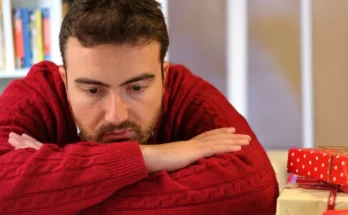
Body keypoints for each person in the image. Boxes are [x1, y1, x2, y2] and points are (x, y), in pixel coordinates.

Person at [0, 0, 279, 214]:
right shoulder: (36, 94)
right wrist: (150, 156)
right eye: (93, 90)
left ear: (164, 76)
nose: (116, 115)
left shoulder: (188, 94)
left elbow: (255, 189)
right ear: (64, 80)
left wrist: (51, 193)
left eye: (136, 88)